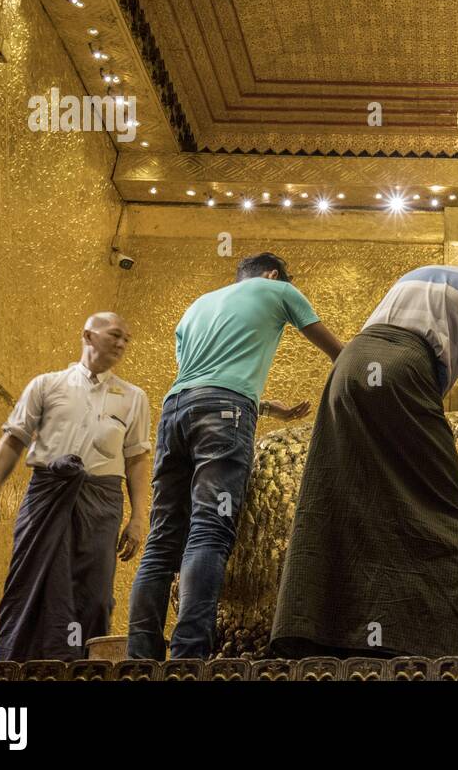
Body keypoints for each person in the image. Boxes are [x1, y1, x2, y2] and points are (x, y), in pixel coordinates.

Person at [270, 264, 458, 659]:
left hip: (349, 368)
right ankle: (447, 650)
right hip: (401, 369)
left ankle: (323, 637)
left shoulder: (424, 274)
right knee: (446, 516)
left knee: (349, 498)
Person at [127, 252, 343, 660]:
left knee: (162, 539)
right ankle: (189, 657)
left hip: (175, 411)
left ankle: (140, 657)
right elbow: (336, 351)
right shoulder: (280, 290)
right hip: (226, 412)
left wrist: (264, 406)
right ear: (274, 273)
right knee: (209, 529)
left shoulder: (197, 306)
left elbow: (201, 383)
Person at [0, 312, 151, 662]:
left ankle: (83, 669)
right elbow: (13, 441)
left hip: (101, 502)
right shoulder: (47, 385)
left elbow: (137, 459)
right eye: (115, 334)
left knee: (95, 593)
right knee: (33, 585)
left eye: (126, 339)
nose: (121, 343)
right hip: (47, 495)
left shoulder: (133, 397)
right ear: (88, 335)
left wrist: (139, 516)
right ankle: (19, 668)